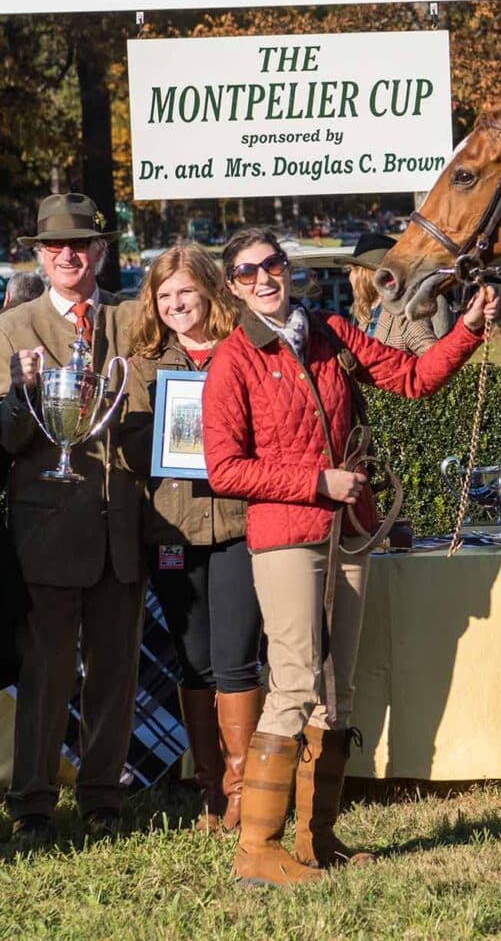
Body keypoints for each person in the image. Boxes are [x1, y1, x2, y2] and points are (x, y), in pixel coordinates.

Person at [202, 228, 498, 885]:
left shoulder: (331, 330)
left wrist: (470, 328)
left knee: (337, 691)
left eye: (271, 264)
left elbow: (415, 377)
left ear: (286, 267)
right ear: (233, 286)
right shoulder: (233, 359)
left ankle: (316, 836)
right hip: (287, 534)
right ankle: (256, 849)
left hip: (351, 529)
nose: (263, 278)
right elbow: (224, 468)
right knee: (296, 679)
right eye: (247, 272)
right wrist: (315, 482)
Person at [0, 193, 144, 842]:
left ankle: (102, 795)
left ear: (101, 252)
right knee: (47, 673)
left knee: (116, 670)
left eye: (81, 244)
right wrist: (23, 394)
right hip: (48, 529)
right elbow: (2, 439)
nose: (68, 254)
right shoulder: (12, 326)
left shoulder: (132, 315)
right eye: (55, 245)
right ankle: (32, 801)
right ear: (37, 254)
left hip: (123, 526)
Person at [122, 242, 261, 834]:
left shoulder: (244, 350)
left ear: (210, 291)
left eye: (187, 291)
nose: (177, 303)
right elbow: (128, 449)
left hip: (235, 524)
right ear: (154, 302)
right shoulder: (144, 363)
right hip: (172, 530)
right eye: (165, 294)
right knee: (193, 661)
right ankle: (209, 791)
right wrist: (162, 442)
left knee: (234, 659)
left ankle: (243, 791)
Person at [342, 233, 439, 355]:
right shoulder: (365, 317)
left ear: (364, 274)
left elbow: (436, 359)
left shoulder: (403, 314)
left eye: (352, 270)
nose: (349, 276)